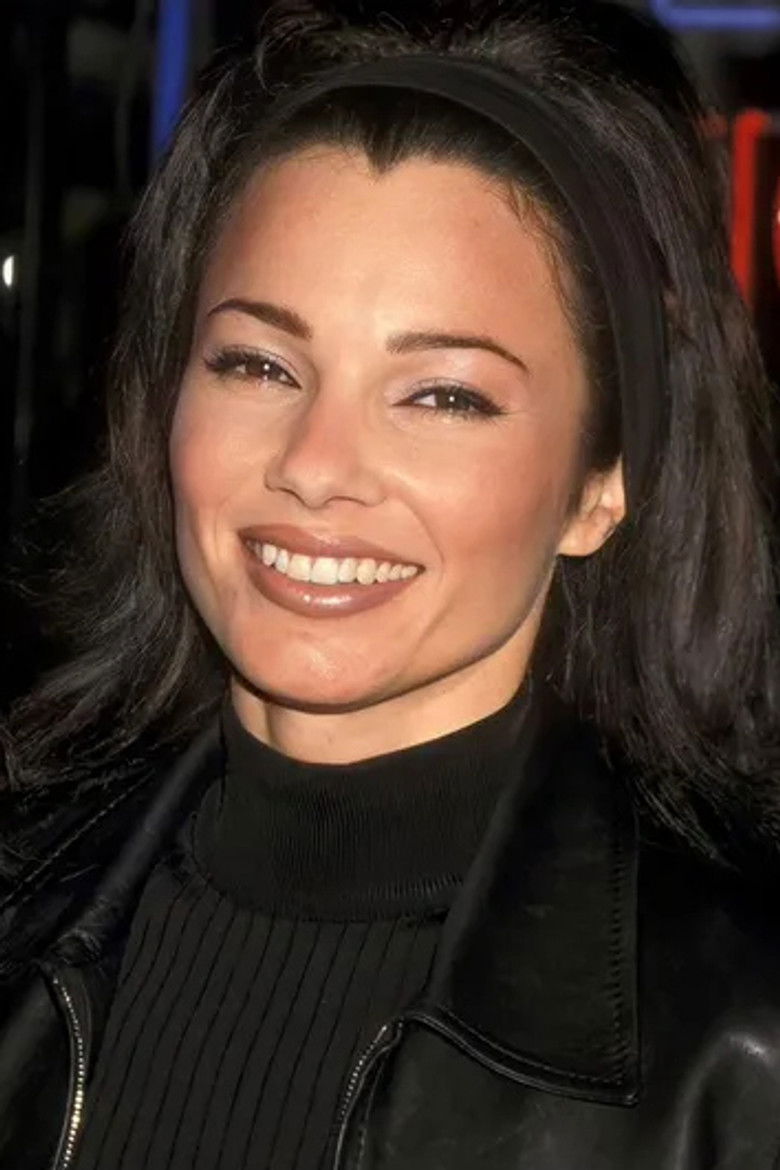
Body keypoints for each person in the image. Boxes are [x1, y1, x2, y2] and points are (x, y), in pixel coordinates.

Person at [2, 1, 780, 1167]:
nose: (316, 467)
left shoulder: (741, 1054)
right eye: (258, 365)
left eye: (443, 395)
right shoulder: (23, 903)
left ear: (601, 484)